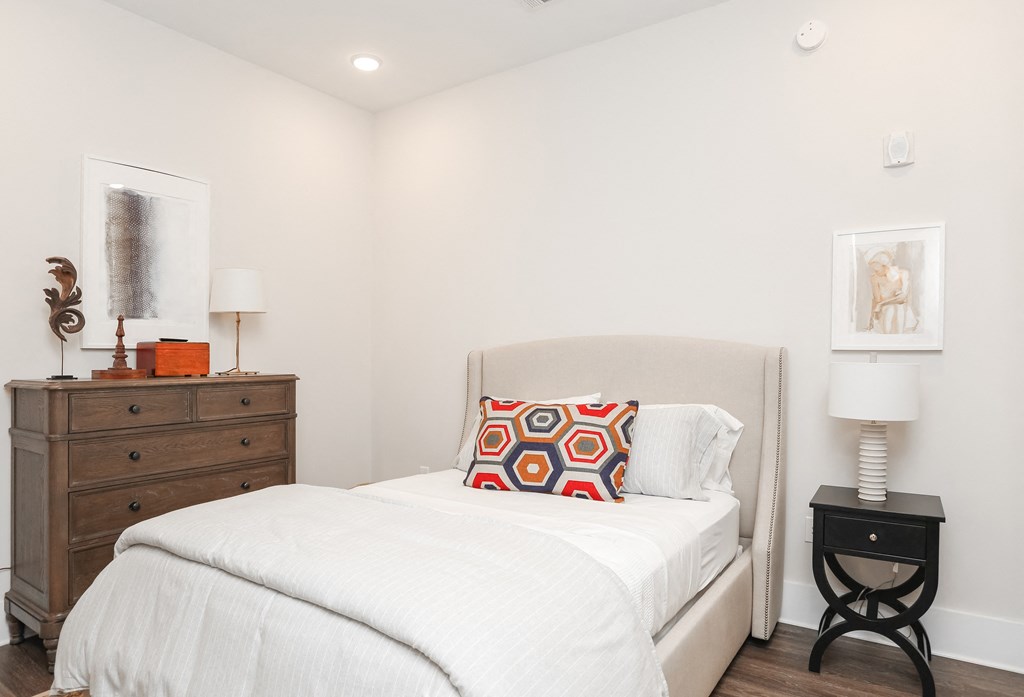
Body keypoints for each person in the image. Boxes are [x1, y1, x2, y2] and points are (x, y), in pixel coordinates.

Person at [864, 247, 917, 334]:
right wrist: (870, 319)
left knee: (896, 308)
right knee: (889, 311)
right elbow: (876, 299)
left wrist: (882, 304)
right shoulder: (874, 278)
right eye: (872, 266)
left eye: (876, 266)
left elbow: (902, 298)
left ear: (884, 264)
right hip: (885, 313)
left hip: (900, 311)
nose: (874, 270)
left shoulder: (903, 274)